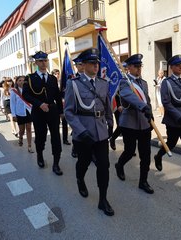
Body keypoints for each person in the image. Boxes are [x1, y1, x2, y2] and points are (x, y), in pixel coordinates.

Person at [64, 48, 114, 216]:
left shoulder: (103, 83)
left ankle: (103, 199)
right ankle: (80, 178)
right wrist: (80, 130)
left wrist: (110, 123)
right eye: (92, 63)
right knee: (83, 162)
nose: (96, 66)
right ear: (83, 65)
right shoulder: (74, 84)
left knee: (104, 166)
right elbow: (69, 112)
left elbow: (107, 106)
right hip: (83, 133)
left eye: (97, 63)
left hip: (100, 132)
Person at [154, 55, 181, 182]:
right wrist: (178, 116)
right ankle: (158, 156)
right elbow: (166, 102)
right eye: (177, 65)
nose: (180, 67)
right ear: (171, 67)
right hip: (174, 119)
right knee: (171, 143)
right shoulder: (166, 82)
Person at [114, 53, 154, 194]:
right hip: (129, 123)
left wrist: (151, 116)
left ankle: (143, 181)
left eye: (140, 66)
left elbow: (147, 100)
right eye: (136, 66)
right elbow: (128, 96)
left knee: (146, 154)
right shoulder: (125, 82)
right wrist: (143, 107)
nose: (138, 69)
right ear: (129, 67)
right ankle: (119, 165)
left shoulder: (144, 83)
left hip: (144, 123)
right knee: (130, 151)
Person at [22, 51, 63, 176]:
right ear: (36, 62)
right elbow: (26, 94)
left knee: (56, 137)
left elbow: (57, 95)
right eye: (40, 61)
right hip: (38, 112)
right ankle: (39, 155)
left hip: (52, 111)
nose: (43, 63)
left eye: (45, 60)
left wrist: (61, 112)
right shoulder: (30, 78)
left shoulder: (52, 78)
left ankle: (56, 163)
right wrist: (39, 104)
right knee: (40, 136)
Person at [11, 76, 34, 153]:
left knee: (28, 128)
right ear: (16, 82)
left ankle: (29, 146)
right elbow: (12, 103)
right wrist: (13, 115)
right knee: (22, 130)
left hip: (28, 111)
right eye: (20, 80)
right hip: (19, 112)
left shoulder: (29, 89)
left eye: (23, 80)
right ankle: (20, 137)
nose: (22, 82)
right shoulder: (14, 91)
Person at [51, 68, 71, 146]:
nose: (57, 75)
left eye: (58, 74)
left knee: (65, 122)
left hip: (63, 104)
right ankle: (56, 139)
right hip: (55, 105)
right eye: (55, 74)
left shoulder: (63, 83)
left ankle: (65, 139)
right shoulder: (51, 83)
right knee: (56, 123)